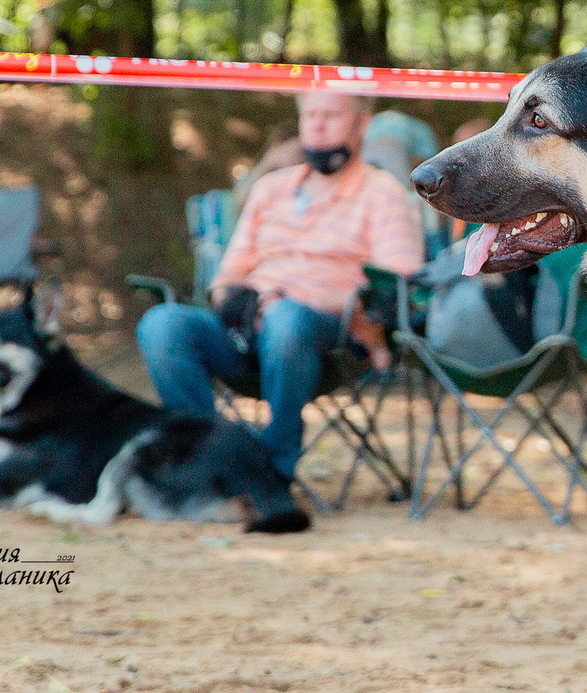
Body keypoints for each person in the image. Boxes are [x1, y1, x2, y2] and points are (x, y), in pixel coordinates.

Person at [136, 91, 424, 478]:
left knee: (287, 318)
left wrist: (290, 299)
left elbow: (395, 287)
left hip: (329, 340)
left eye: (331, 116)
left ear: (362, 125)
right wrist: (241, 301)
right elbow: (228, 277)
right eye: (310, 116)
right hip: (249, 327)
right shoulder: (270, 188)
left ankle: (273, 466)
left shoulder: (383, 192)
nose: (318, 125)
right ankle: (210, 458)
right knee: (162, 324)